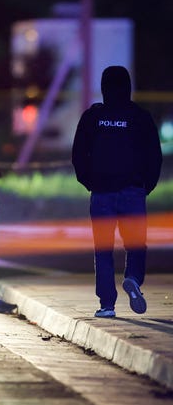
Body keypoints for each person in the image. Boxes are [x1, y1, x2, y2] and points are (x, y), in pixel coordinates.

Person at [72, 65, 162, 318]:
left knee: (103, 248)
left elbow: (78, 153)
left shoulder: (92, 117)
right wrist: (146, 186)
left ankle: (107, 305)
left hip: (101, 194)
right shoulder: (140, 117)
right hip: (133, 192)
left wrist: (89, 182)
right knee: (136, 244)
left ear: (103, 87)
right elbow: (154, 155)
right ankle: (133, 278)